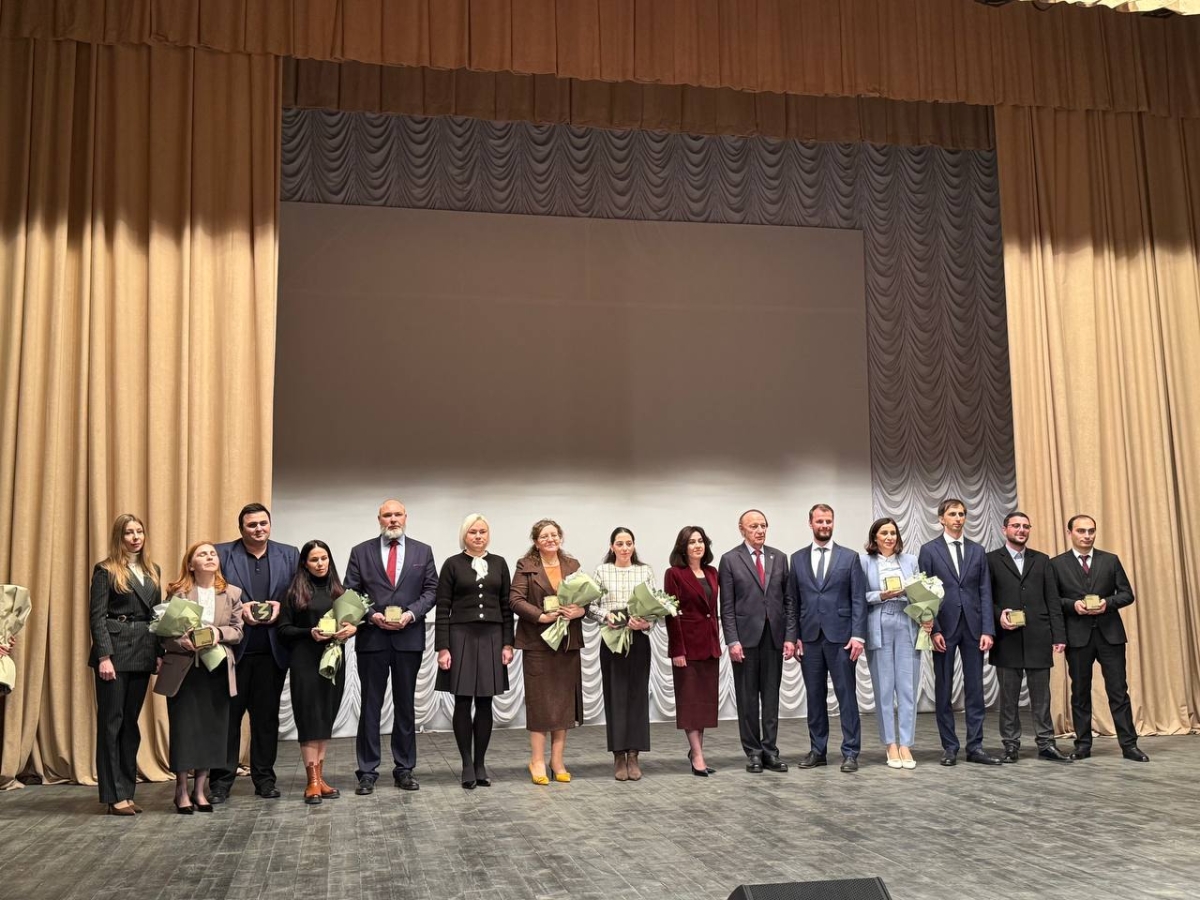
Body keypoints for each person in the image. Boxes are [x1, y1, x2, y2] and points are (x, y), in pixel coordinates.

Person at [344, 499, 438, 794]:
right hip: (373, 638)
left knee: (405, 705)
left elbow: (431, 590)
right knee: (370, 705)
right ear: (379, 519)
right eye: (387, 515)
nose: (393, 519)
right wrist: (372, 616)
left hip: (408, 638)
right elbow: (351, 591)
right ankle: (367, 771)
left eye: (398, 514)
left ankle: (404, 769)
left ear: (405, 517)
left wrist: (411, 614)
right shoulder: (361, 551)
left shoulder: (423, 551)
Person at [212, 503, 299, 802]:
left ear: (270, 525)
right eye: (252, 525)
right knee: (228, 719)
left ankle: (264, 779)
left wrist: (281, 607)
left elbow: (298, 595)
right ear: (241, 529)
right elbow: (210, 595)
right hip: (232, 653)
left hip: (273, 652)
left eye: (263, 523)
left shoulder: (289, 554)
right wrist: (240, 609)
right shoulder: (222, 554)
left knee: (266, 720)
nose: (258, 529)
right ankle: (220, 782)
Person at [154, 542, 244, 813]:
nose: (209, 557)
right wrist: (180, 642)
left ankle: (200, 790)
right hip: (185, 672)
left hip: (215, 670)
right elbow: (163, 633)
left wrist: (218, 633)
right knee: (184, 731)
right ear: (191, 564)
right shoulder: (178, 592)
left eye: (212, 553)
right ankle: (181, 790)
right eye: (202, 554)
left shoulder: (232, 593)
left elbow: (238, 631)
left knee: (211, 730)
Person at [1050, 515, 1147, 762]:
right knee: (1080, 693)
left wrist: (1107, 603)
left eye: (1091, 531)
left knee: (1118, 691)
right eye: (1081, 531)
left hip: (1110, 636)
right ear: (1070, 533)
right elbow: (1052, 600)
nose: (1087, 535)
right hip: (1077, 637)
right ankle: (1082, 745)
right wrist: (1073, 605)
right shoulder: (1056, 564)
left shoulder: (1110, 560)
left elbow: (1127, 594)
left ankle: (1129, 746)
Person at [87, 514, 162, 815]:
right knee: (111, 723)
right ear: (119, 537)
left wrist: (158, 652)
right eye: (129, 532)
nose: (135, 537)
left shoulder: (152, 570)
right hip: (115, 654)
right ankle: (113, 795)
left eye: (139, 531)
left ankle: (127, 792)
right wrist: (104, 656)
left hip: (143, 651)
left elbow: (157, 615)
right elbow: (96, 617)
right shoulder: (105, 570)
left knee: (130, 723)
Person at [917, 498, 1001, 766]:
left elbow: (985, 591)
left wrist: (988, 629)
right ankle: (950, 747)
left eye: (962, 514)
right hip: (943, 627)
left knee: (975, 688)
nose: (958, 518)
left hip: (973, 627)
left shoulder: (977, 550)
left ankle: (975, 746)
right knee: (944, 688)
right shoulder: (929, 550)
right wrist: (934, 629)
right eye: (952, 514)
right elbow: (924, 592)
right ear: (941, 518)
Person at [434, 514, 514, 789]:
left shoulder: (499, 563)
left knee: (485, 702)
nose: (478, 536)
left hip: (492, 636)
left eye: (482, 532)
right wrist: (443, 647)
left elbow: (506, 606)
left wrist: (508, 643)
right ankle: (466, 763)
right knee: (463, 700)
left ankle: (480, 763)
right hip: (461, 636)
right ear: (464, 536)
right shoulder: (452, 564)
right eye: (473, 532)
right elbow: (442, 607)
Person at [787, 504, 867, 773]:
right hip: (809, 639)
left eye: (828, 521)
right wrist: (794, 636)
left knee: (847, 696)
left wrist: (858, 636)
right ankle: (818, 751)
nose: (824, 525)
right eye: (820, 521)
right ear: (810, 523)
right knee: (815, 697)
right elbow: (792, 602)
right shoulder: (797, 559)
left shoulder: (850, 557)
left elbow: (858, 599)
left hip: (842, 638)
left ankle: (851, 752)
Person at [986, 512, 1071, 763]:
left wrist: (1059, 635)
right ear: (1005, 530)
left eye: (1025, 526)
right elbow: (985, 597)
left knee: (1042, 697)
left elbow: (1053, 600)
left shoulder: (1042, 560)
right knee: (1008, 699)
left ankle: (1046, 744)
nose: (1021, 530)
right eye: (1016, 526)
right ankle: (1011, 745)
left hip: (1038, 636)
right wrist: (998, 615)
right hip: (1006, 638)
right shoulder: (991, 560)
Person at [278, 540, 358, 804]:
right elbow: (283, 630)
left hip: (333, 662)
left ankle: (320, 778)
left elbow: (351, 622)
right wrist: (308, 633)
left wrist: (352, 629)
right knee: (309, 720)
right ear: (305, 563)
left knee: (325, 718)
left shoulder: (340, 591)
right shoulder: (294, 592)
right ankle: (311, 781)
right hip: (305, 662)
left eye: (324, 558)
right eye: (314, 559)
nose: (320, 563)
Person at [509, 518, 586, 784]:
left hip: (567, 643)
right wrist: (541, 616)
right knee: (541, 704)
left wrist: (580, 611)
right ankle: (537, 761)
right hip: (538, 644)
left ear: (560, 538)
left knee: (564, 704)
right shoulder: (526, 566)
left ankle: (557, 760)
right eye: (544, 536)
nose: (550, 539)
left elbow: (587, 598)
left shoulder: (572, 565)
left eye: (554, 535)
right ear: (536, 542)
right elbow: (515, 600)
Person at [718, 509, 790, 774]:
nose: (759, 531)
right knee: (747, 698)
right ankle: (753, 752)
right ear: (742, 529)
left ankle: (770, 751)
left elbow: (788, 601)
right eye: (753, 526)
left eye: (763, 526)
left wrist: (790, 637)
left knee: (771, 698)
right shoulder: (730, 559)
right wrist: (732, 640)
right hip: (745, 639)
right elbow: (726, 606)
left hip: (773, 637)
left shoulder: (779, 557)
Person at [589, 526, 655, 781]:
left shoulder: (644, 571)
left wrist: (646, 622)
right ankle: (618, 754)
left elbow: (655, 606)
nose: (625, 548)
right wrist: (606, 616)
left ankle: (634, 754)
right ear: (612, 547)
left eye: (629, 543)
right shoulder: (602, 571)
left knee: (637, 696)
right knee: (615, 696)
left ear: (634, 545)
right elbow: (590, 606)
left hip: (638, 640)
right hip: (611, 640)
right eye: (620, 543)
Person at [859, 517, 921, 769]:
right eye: (884, 533)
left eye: (893, 533)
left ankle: (906, 744)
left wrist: (926, 612)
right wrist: (881, 595)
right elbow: (858, 596)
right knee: (884, 689)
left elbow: (920, 593)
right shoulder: (864, 562)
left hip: (907, 621)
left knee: (907, 687)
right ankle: (890, 744)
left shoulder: (911, 561)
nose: (889, 537)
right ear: (874, 537)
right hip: (879, 621)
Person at [664, 526, 721, 777]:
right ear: (683, 548)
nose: (697, 545)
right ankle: (697, 755)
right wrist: (677, 649)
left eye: (700, 541)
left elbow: (713, 610)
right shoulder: (674, 574)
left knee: (704, 705)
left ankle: (697, 751)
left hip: (710, 646)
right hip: (687, 647)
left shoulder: (712, 572)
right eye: (691, 542)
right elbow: (671, 613)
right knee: (690, 703)